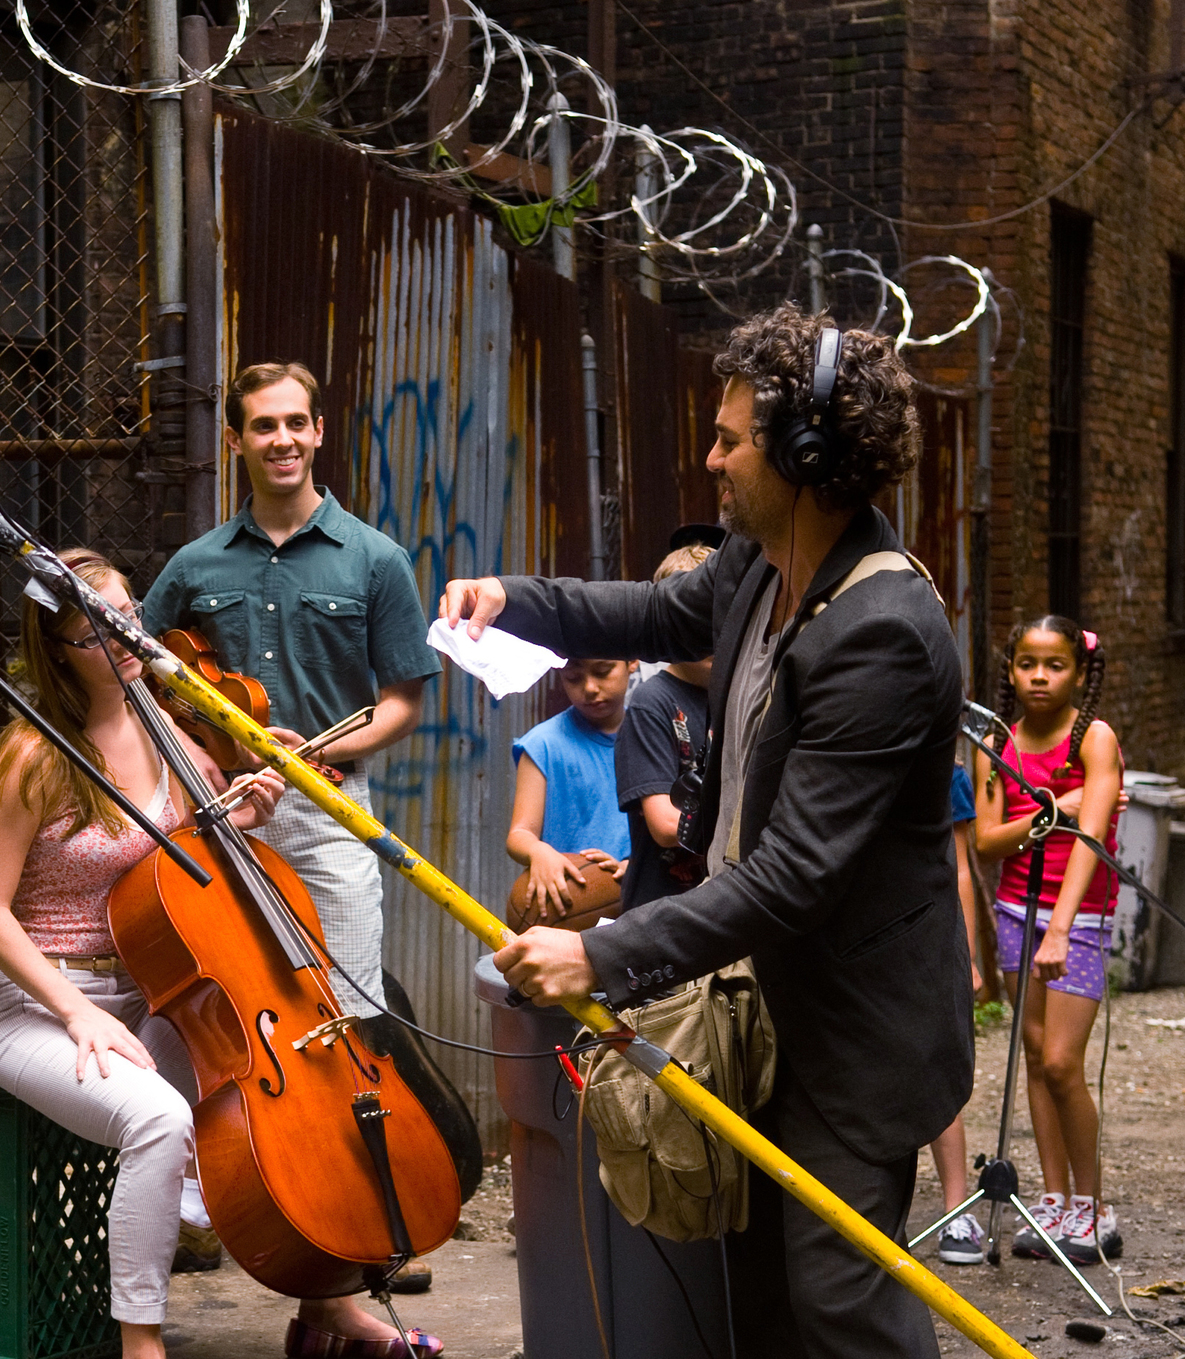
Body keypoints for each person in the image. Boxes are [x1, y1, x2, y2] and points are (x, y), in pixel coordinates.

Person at [441, 304, 974, 1358]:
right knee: (757, 1295)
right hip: (759, 1006)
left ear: (807, 455)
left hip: (851, 1035)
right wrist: (515, 598)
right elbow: (650, 614)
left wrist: (597, 951)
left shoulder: (880, 636)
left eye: (730, 438)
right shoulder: (758, 562)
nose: (710, 458)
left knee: (840, 1301)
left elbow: (789, 877)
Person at [0, 548, 442, 1359]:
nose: (123, 641)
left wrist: (243, 814)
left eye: (128, 618)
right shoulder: (33, 754)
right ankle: (142, 1342)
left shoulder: (169, 729)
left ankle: (326, 1309)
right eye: (96, 632)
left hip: (151, 995)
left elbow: (181, 865)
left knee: (290, 1112)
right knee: (159, 1118)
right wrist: (76, 1012)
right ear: (58, 649)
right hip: (40, 1005)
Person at [140, 361, 443, 1286]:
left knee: (349, 1013)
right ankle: (220, 1203)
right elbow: (143, 673)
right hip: (224, 810)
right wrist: (204, 741)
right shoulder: (195, 567)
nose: (281, 440)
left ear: (319, 432)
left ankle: (369, 1232)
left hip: (326, 800)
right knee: (229, 1014)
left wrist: (316, 754)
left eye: (296, 424)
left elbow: (402, 700)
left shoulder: (374, 559)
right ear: (236, 440)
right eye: (262, 426)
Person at [973, 617, 1122, 1267]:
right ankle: (1055, 1198)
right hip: (1014, 909)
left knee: (1062, 1060)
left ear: (1080, 674)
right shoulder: (995, 744)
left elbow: (1088, 843)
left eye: (1055, 664)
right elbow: (985, 840)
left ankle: (1092, 1209)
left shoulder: (1095, 739)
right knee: (1033, 1054)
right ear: (1010, 671)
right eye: (1027, 663)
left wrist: (1060, 928)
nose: (1039, 675)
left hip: (1080, 916)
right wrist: (1046, 813)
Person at [611, 540, 716, 917]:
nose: (710, 633)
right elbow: (665, 824)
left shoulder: (741, 697)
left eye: (718, 616)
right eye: (694, 620)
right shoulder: (651, 704)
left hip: (724, 910)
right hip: (660, 916)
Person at [505, 656, 634, 924]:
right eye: (573, 678)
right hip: (564, 907)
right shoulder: (542, 744)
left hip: (638, 906)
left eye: (602, 671)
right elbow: (519, 834)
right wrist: (538, 852)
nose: (589, 687)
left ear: (632, 661)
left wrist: (638, 867)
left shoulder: (655, 738)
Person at [930, 757, 989, 1266]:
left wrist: (966, 954)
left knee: (939, 1069)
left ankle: (956, 1210)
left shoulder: (947, 775)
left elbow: (962, 869)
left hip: (928, 939)